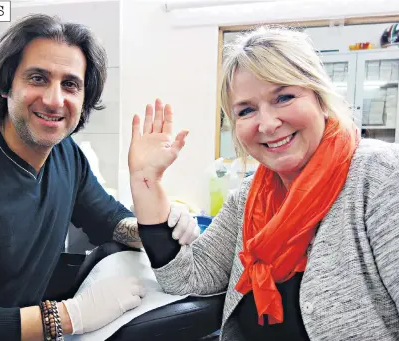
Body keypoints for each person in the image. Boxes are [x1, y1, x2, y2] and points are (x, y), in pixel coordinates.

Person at [0, 14, 199, 341]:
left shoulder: (67, 156)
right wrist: (67, 316)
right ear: (6, 86)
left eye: (70, 84)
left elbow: (108, 220)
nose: (55, 100)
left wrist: (158, 225)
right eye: (38, 78)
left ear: (85, 99)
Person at [127, 26, 399, 341]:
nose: (268, 124)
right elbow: (187, 276)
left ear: (320, 98)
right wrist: (145, 181)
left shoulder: (380, 177)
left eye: (284, 97)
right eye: (246, 110)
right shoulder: (250, 198)